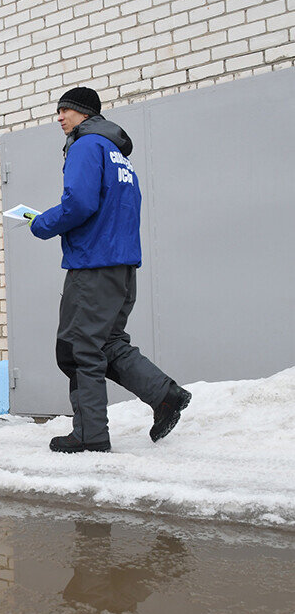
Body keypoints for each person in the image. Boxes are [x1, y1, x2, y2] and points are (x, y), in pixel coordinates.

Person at [25, 87, 191, 453]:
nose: (60, 117)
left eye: (66, 110)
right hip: (122, 266)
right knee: (107, 342)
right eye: (59, 111)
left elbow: (80, 203)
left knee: (78, 349)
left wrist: (41, 223)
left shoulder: (86, 146)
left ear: (84, 113)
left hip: (93, 266)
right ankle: (165, 395)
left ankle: (90, 433)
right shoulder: (118, 155)